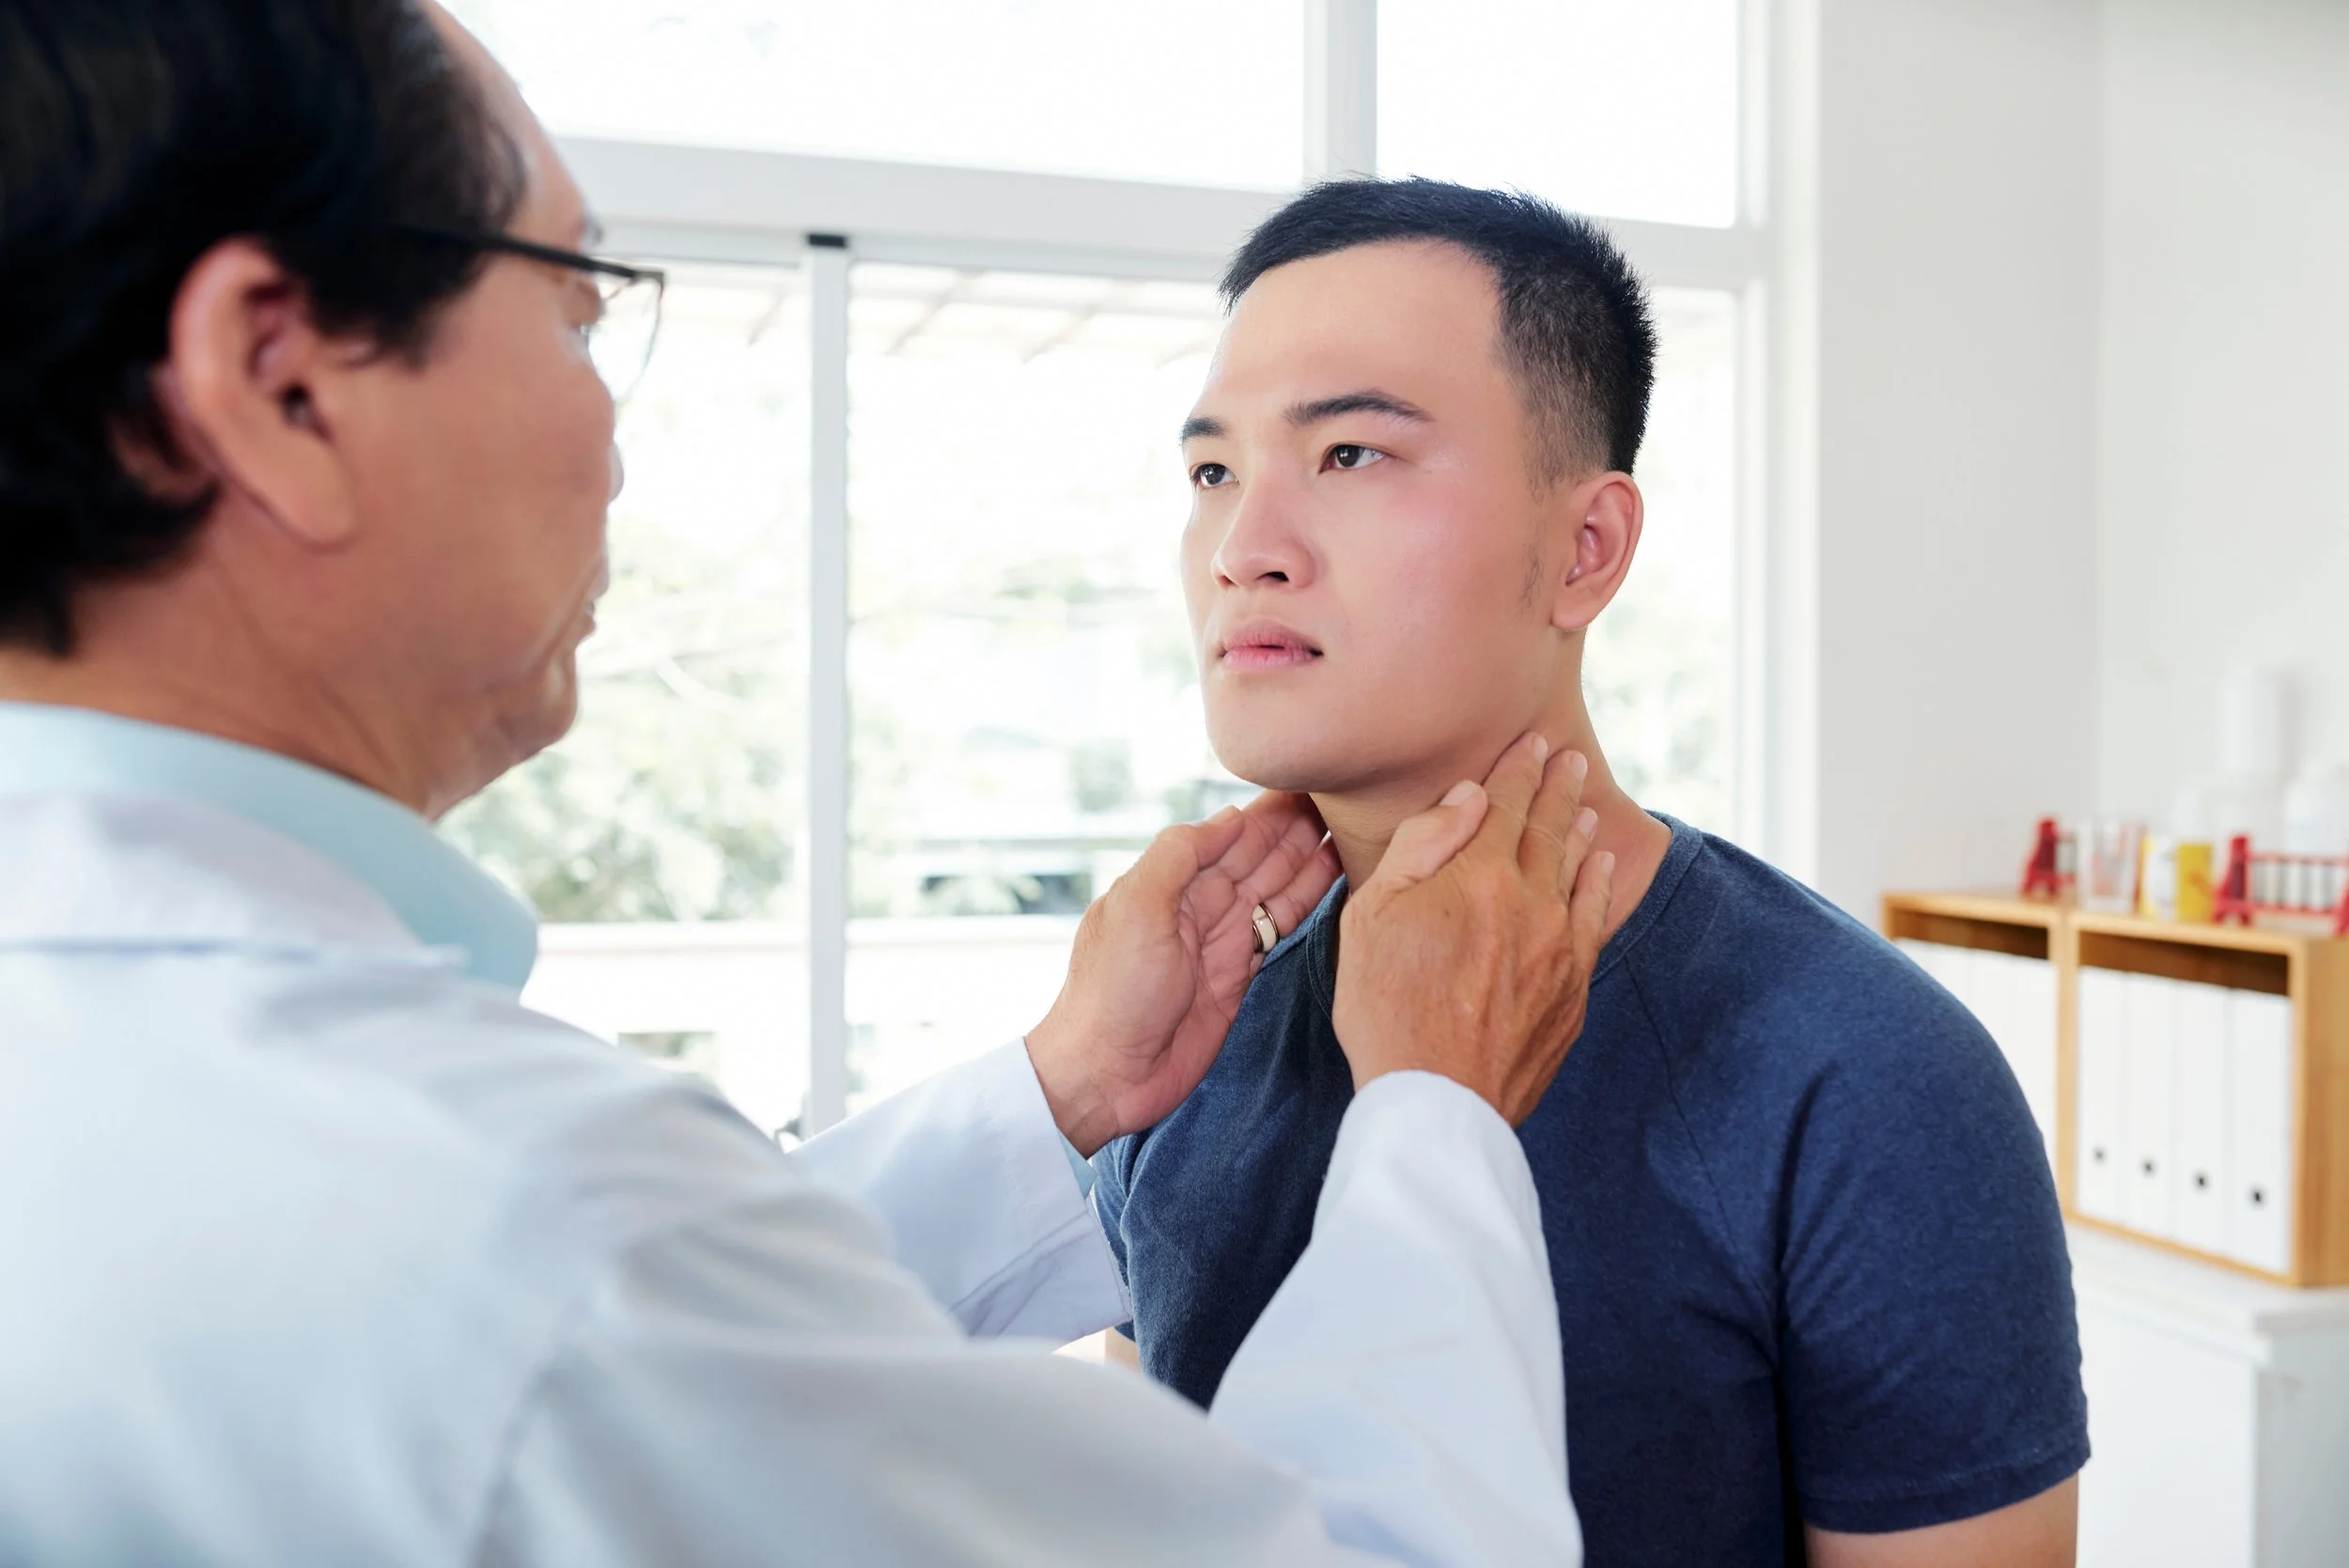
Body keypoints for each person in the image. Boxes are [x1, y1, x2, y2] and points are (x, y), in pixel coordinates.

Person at [0, 5, 1620, 1563]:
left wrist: (1055, 1089)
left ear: (1588, 545)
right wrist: (1435, 1119)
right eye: (576, 308)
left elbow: (681, 1349)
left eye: (1350, 453)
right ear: (277, 383)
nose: (616, 441)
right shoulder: (521, 1226)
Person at [1092, 179, 2091, 1568]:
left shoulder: (1863, 1078)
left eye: (1351, 457)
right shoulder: (1167, 1018)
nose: (1244, 551)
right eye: (1212, 474)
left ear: (1586, 548)